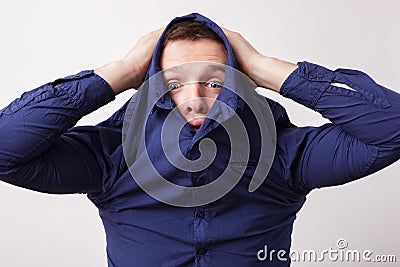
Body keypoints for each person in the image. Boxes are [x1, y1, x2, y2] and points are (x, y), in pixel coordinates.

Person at [0, 12, 399, 267]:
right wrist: (121, 71)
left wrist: (265, 68)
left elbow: (392, 130)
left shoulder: (283, 153)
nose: (194, 100)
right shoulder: (113, 153)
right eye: (173, 83)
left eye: (214, 80)